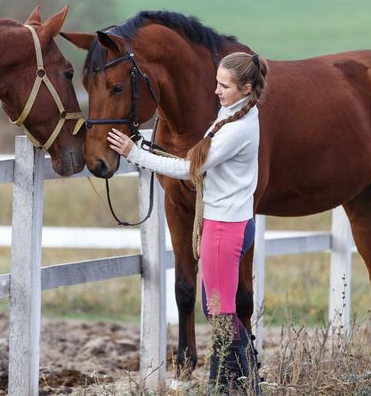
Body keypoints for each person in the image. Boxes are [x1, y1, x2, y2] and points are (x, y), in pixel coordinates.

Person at [108, 51, 269, 393]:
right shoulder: (234, 113)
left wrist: (135, 155)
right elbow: (195, 155)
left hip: (224, 228)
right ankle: (237, 381)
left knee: (218, 312)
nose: (216, 91)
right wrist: (149, 147)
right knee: (218, 310)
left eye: (224, 85)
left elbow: (188, 168)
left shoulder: (236, 128)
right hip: (228, 223)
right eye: (216, 83)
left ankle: (236, 380)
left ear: (246, 87)